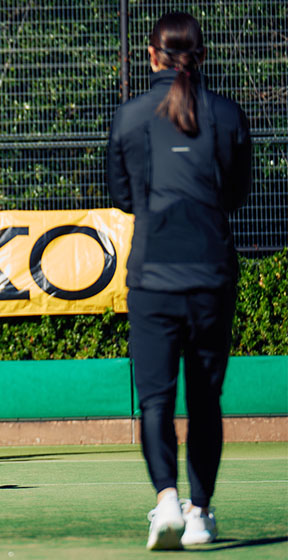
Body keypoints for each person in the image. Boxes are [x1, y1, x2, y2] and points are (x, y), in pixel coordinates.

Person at [107, 12, 251, 551]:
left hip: (152, 279)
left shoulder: (129, 117)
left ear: (151, 56)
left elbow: (124, 198)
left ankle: (166, 499)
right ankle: (200, 513)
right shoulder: (228, 115)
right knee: (206, 400)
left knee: (155, 400)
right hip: (212, 274)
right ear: (201, 55)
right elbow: (237, 196)